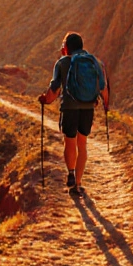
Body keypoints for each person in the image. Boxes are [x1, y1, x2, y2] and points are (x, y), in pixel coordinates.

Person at [37, 32, 109, 196]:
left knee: (70, 143)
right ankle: (78, 184)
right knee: (82, 145)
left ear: (66, 47)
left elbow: (54, 91)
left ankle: (70, 173)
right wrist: (106, 105)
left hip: (69, 108)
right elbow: (103, 88)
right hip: (87, 108)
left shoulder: (61, 63)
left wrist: (45, 100)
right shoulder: (93, 61)